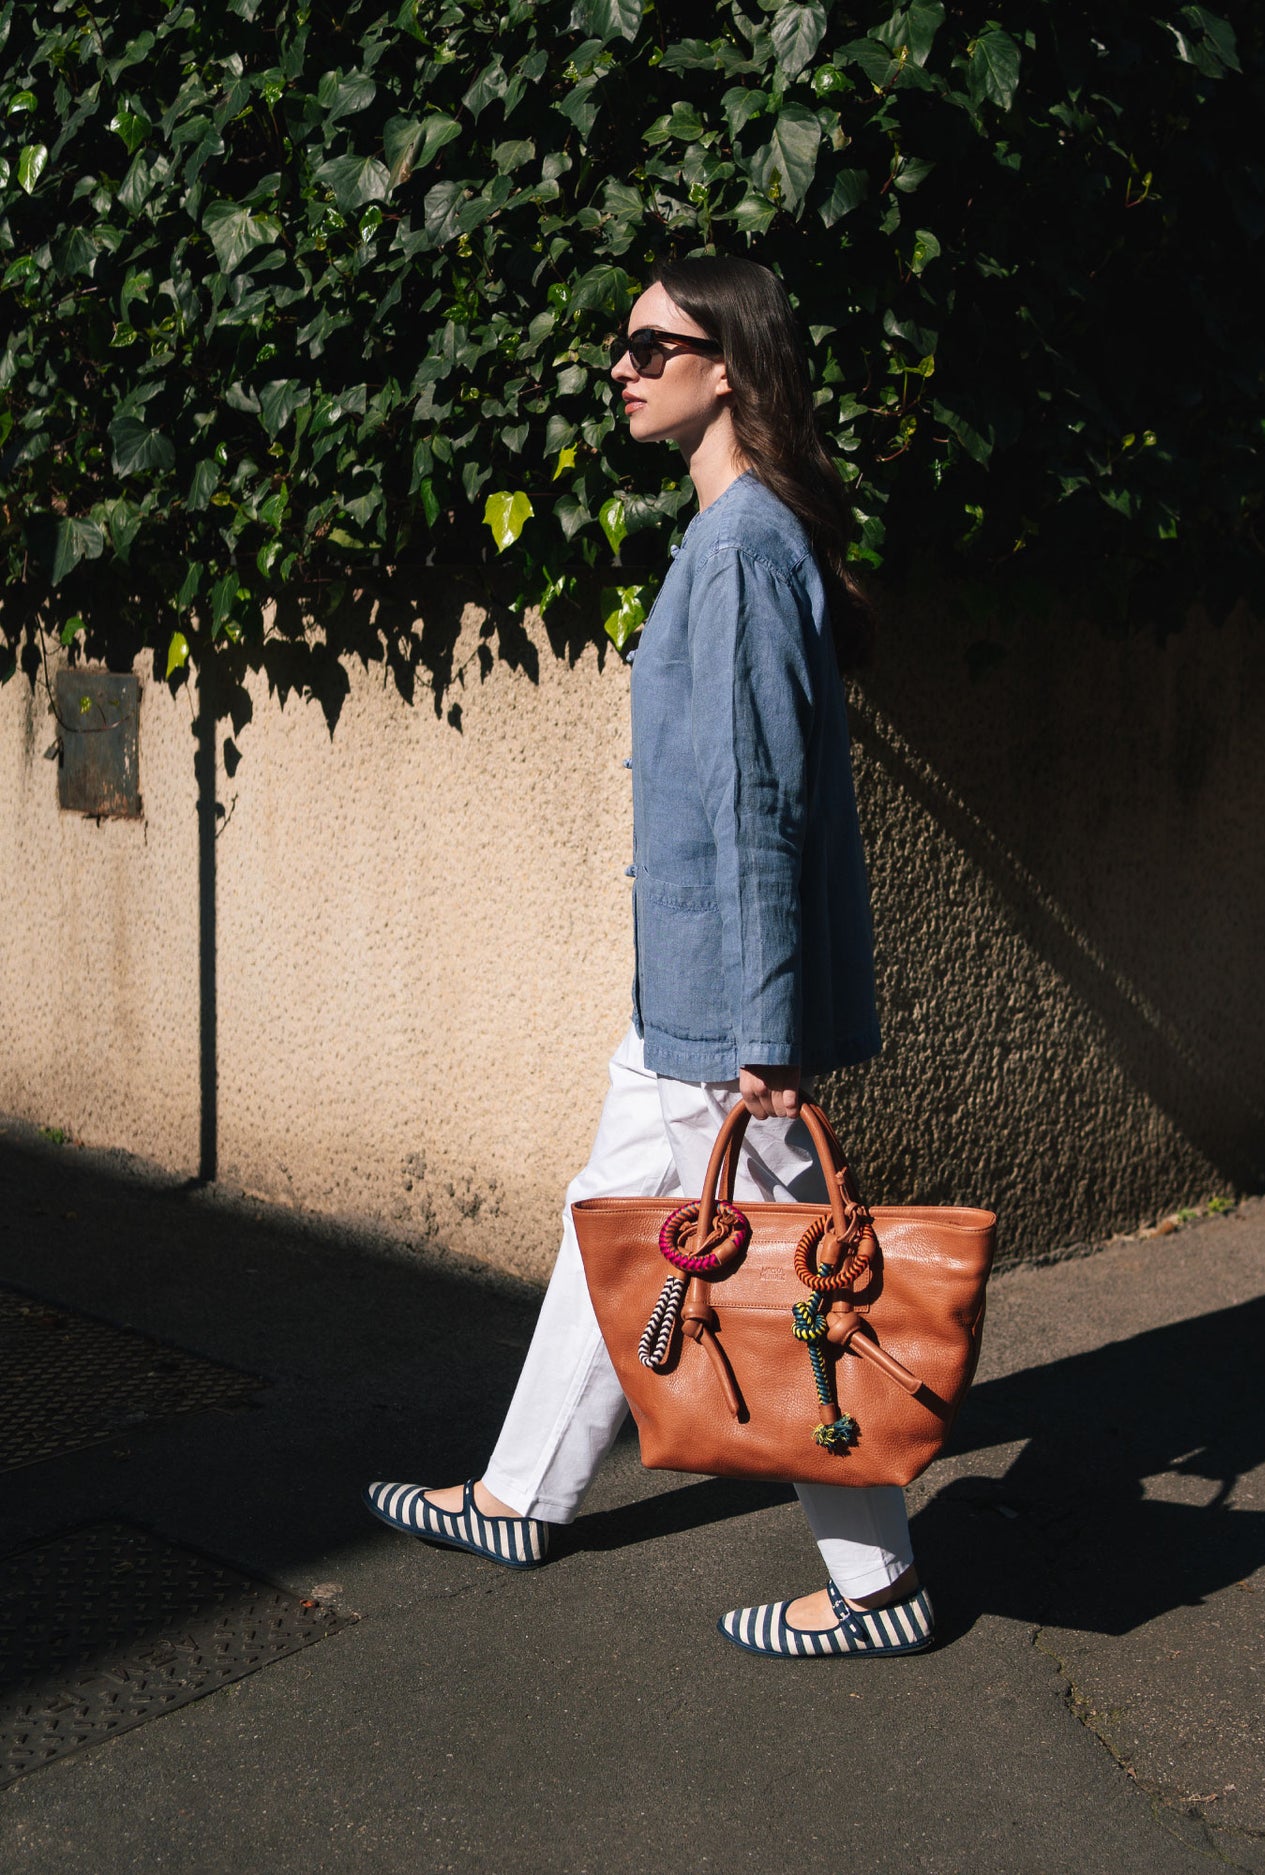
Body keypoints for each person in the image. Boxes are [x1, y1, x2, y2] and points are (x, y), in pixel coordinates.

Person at [366, 255, 935, 1658]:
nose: (619, 368)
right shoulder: (741, 534)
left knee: (796, 1286)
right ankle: (519, 1491)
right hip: (688, 996)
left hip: (722, 1012)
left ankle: (880, 1587)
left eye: (648, 345)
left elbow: (757, 807)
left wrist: (761, 1037)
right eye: (620, 346)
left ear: (725, 364)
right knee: (608, 1220)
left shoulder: (741, 547)